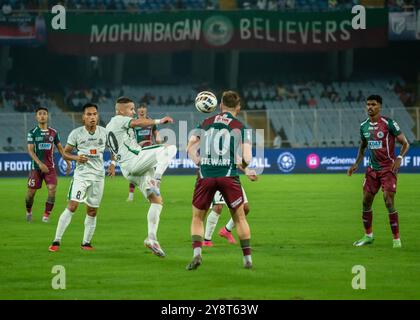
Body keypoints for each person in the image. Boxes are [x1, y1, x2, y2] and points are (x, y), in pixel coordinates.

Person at [186, 90, 254, 270]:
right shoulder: (241, 127)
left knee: (197, 218)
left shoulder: (205, 122)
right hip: (228, 176)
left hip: (206, 175)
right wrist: (244, 166)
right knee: (240, 218)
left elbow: (190, 147)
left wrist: (199, 162)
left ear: (221, 105)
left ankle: (197, 255)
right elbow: (247, 157)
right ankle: (247, 260)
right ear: (238, 107)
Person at [105, 97, 177, 257]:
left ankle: (151, 238)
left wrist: (111, 162)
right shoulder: (119, 120)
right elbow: (137, 123)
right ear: (121, 110)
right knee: (170, 148)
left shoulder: (109, 127)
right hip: (135, 161)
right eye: (131, 109)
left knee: (156, 202)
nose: (133, 112)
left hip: (128, 169)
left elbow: (114, 147)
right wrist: (159, 120)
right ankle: (157, 180)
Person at [49, 103, 115, 252]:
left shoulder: (104, 132)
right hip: (81, 175)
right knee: (73, 205)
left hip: (98, 176)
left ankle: (86, 243)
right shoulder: (76, 133)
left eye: (95, 114)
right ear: (83, 117)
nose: (92, 117)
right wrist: (76, 158)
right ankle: (56, 240)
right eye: (89, 114)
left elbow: (113, 148)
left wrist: (112, 163)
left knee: (92, 211)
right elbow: (65, 153)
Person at [347, 95, 410, 248]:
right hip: (372, 170)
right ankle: (368, 236)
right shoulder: (364, 126)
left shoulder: (389, 123)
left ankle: (396, 240)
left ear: (379, 106)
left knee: (388, 201)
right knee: (365, 201)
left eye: (373, 104)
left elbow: (405, 143)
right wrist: (356, 164)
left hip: (388, 169)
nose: (370, 107)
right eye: (368, 104)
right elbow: (362, 146)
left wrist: (400, 157)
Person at [26, 107, 71, 223]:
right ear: (36, 117)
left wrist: (67, 160)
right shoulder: (32, 133)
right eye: (39, 114)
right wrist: (40, 164)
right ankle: (29, 211)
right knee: (30, 194)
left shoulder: (53, 132)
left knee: (52, 189)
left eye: (44, 114)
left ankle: (46, 216)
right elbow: (30, 151)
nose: (42, 116)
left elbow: (61, 149)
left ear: (47, 116)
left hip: (50, 168)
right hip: (36, 168)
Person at [203, 170, 257, 247]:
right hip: (217, 177)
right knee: (218, 207)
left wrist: (247, 171)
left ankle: (226, 230)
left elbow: (237, 159)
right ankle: (207, 240)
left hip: (233, 178)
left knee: (245, 208)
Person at [127, 103, 162, 202]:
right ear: (137, 110)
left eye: (144, 108)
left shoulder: (151, 122)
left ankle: (152, 192)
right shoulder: (133, 122)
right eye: (140, 108)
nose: (142, 109)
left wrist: (160, 144)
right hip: (137, 151)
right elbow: (129, 136)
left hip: (149, 150)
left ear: (146, 110)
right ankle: (131, 195)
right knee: (135, 172)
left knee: (151, 171)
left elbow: (156, 135)